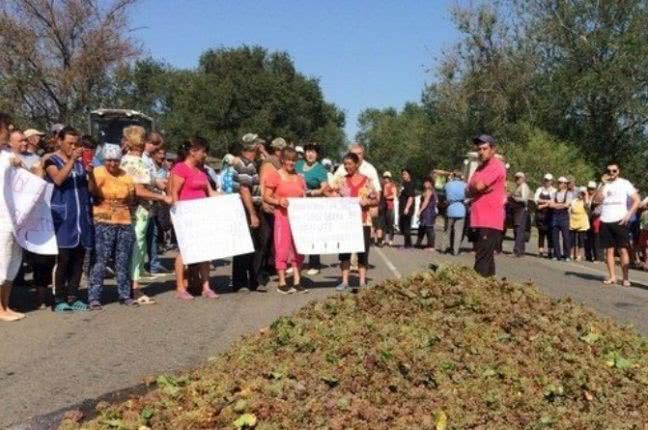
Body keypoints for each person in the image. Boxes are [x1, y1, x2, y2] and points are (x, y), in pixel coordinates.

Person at [44, 126, 94, 312]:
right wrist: (72, 160)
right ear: (60, 141)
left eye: (76, 144)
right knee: (63, 258)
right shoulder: (51, 160)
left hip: (81, 218)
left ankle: (73, 296)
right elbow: (57, 179)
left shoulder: (81, 163)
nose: (74, 147)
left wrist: (90, 173)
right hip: (62, 217)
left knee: (79, 258)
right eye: (70, 143)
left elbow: (89, 190)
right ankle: (59, 298)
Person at [120, 126, 171, 304]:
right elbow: (140, 190)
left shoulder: (126, 160)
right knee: (137, 246)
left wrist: (157, 184)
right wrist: (162, 197)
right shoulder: (137, 162)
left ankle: (130, 285)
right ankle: (135, 289)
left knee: (134, 246)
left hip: (132, 210)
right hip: (138, 211)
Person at [87, 144, 138, 309]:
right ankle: (94, 297)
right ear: (104, 160)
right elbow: (92, 192)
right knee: (100, 260)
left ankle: (125, 294)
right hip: (103, 220)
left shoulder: (126, 176)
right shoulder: (98, 172)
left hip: (124, 221)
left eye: (116, 160)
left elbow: (130, 199)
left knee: (122, 260)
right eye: (109, 160)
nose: (113, 164)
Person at [170, 136, 219, 300]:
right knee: (184, 251)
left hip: (201, 215)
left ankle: (206, 287)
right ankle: (180, 287)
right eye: (203, 152)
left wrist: (233, 197)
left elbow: (211, 193)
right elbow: (174, 193)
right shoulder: (180, 168)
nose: (204, 155)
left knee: (205, 251)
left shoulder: (201, 172)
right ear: (193, 151)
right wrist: (177, 215)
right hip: (186, 215)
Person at [327, 152, 378, 291]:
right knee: (345, 252)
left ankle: (362, 281)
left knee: (363, 251)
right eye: (345, 164)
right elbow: (328, 191)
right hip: (345, 222)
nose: (347, 166)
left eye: (349, 164)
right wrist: (336, 196)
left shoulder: (367, 180)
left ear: (356, 164)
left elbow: (376, 198)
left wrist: (367, 201)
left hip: (363, 221)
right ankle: (344, 281)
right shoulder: (341, 180)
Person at [264, 147, 307, 294]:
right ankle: (282, 282)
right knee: (282, 248)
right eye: (288, 159)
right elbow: (266, 196)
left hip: (298, 220)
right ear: (282, 159)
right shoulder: (275, 175)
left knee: (298, 250)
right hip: (282, 218)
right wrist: (278, 201)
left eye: (294, 160)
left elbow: (304, 196)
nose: (291, 163)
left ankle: (297, 281)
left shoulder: (300, 178)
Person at [594, 162, 640, 286]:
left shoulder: (625, 183)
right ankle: (612, 277)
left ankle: (625, 278)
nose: (611, 173)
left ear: (618, 171)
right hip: (605, 219)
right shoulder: (605, 185)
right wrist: (602, 184)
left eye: (614, 171)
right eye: (609, 171)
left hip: (620, 220)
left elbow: (637, 200)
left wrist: (629, 215)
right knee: (609, 251)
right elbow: (597, 200)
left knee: (622, 250)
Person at [467, 134, 506, 277]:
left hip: (489, 221)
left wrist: (476, 187)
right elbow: (470, 186)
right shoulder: (480, 168)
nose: (481, 152)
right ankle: (491, 290)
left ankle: (475, 292)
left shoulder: (496, 166)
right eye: (479, 149)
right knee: (487, 259)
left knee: (481, 260)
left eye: (484, 148)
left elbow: (478, 186)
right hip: (479, 219)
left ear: (493, 149)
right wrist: (476, 187)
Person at [0, 113, 25, 321]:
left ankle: (5, 305)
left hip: (13, 216)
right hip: (1, 218)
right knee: (2, 260)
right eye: (6, 127)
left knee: (13, 261)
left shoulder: (8, 154)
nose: (9, 130)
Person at [231, 133, 262, 292]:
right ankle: (241, 281)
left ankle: (247, 280)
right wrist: (252, 213)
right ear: (254, 146)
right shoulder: (245, 165)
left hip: (246, 206)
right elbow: (244, 189)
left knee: (249, 244)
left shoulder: (247, 163)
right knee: (246, 245)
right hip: (245, 207)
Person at [295, 142, 328, 275]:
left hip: (313, 205)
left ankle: (314, 264)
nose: (310, 154)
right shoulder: (297, 165)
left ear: (317, 154)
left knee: (313, 234)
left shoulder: (320, 169)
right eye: (308, 151)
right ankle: (297, 262)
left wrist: (315, 192)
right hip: (298, 204)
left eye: (313, 152)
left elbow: (325, 187)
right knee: (298, 233)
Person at [142, 132, 168, 275]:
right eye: (155, 146)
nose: (156, 150)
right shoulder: (142, 158)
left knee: (153, 234)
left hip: (151, 202)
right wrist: (156, 182)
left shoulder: (149, 160)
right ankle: (140, 267)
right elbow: (144, 178)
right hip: (143, 202)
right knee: (142, 237)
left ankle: (153, 264)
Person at [442, 171, 466, 255]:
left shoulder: (448, 184)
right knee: (458, 232)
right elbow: (468, 195)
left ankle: (443, 248)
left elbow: (443, 192)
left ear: (453, 176)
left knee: (447, 230)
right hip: (461, 209)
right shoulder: (464, 185)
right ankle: (455, 251)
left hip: (450, 208)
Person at [550, 176, 573, 261]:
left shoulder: (569, 193)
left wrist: (556, 205)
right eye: (558, 182)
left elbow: (567, 205)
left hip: (564, 216)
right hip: (555, 216)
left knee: (565, 236)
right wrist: (560, 205)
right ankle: (556, 254)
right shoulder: (554, 193)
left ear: (565, 184)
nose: (559, 184)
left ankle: (567, 255)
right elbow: (551, 205)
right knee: (554, 236)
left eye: (561, 182)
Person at [534, 174, 556, 258]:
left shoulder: (554, 190)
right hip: (540, 214)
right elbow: (536, 199)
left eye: (549, 180)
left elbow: (553, 201)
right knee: (541, 233)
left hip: (549, 213)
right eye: (546, 180)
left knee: (549, 233)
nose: (547, 182)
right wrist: (546, 202)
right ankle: (540, 250)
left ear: (551, 181)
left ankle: (550, 251)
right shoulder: (540, 189)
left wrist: (542, 204)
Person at [510, 172, 530, 257]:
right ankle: (521, 250)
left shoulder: (524, 186)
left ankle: (517, 251)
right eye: (516, 178)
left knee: (519, 231)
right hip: (516, 210)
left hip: (522, 210)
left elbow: (524, 199)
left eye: (519, 178)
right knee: (517, 230)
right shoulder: (517, 187)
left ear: (523, 178)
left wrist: (515, 198)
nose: (517, 180)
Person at [569, 186, 590, 262]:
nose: (581, 194)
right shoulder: (574, 200)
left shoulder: (585, 201)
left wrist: (586, 196)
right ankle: (571, 254)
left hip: (582, 222)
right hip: (573, 221)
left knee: (581, 240)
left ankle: (579, 255)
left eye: (582, 193)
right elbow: (570, 209)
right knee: (572, 239)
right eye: (580, 193)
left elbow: (587, 206)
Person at [416, 176, 437, 250]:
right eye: (424, 182)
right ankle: (418, 242)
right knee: (422, 227)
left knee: (429, 228)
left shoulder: (429, 191)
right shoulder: (426, 190)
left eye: (427, 182)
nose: (425, 184)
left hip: (429, 212)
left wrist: (420, 210)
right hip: (425, 212)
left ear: (430, 183)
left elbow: (426, 201)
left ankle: (431, 246)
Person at [584, 181, 602, 262]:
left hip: (596, 219)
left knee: (596, 238)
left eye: (592, 189)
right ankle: (588, 255)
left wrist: (592, 211)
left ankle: (597, 257)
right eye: (589, 189)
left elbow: (599, 209)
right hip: (587, 219)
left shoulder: (598, 197)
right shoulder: (586, 196)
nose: (590, 190)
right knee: (587, 238)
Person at [378, 171, 396, 247]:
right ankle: (383, 240)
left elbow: (394, 195)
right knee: (383, 224)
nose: (386, 179)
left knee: (390, 224)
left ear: (390, 178)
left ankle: (390, 240)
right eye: (385, 177)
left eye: (387, 178)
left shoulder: (392, 185)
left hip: (390, 206)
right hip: (383, 206)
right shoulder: (382, 185)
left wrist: (387, 197)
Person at [398, 168, 415, 248]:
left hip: (407, 208)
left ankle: (407, 244)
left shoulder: (410, 184)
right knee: (402, 226)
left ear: (409, 175)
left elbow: (411, 197)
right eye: (402, 174)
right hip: (402, 207)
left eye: (405, 174)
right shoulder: (404, 184)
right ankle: (408, 243)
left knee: (406, 227)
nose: (403, 175)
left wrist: (407, 208)